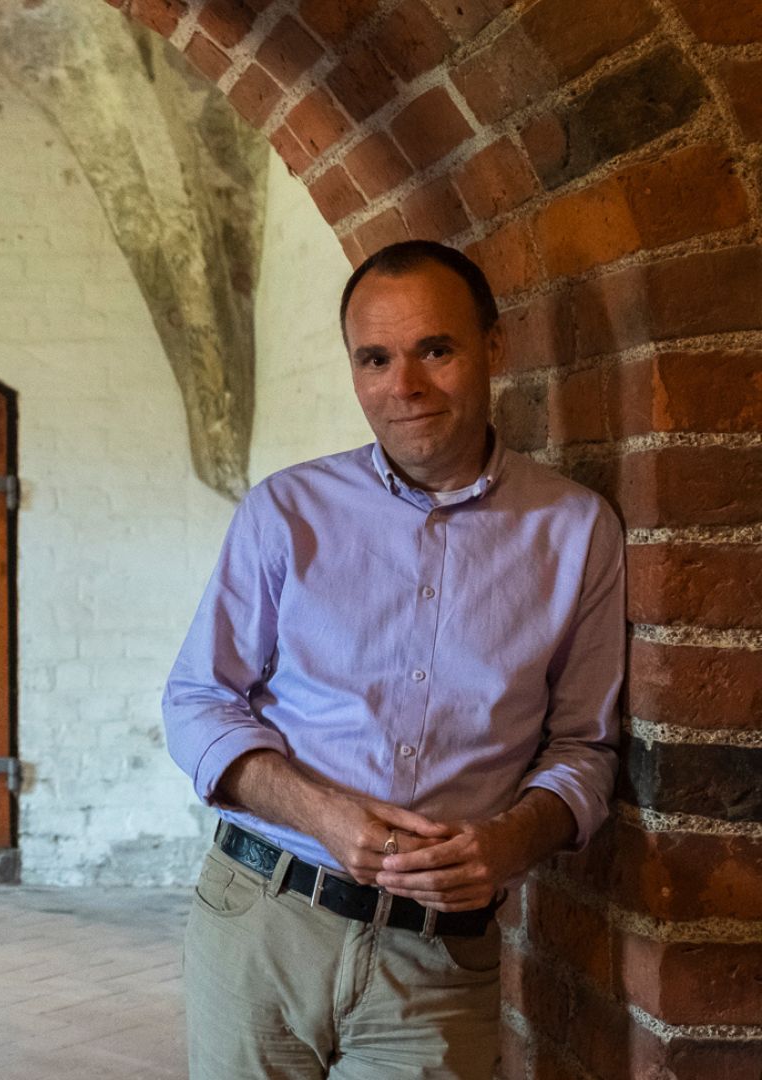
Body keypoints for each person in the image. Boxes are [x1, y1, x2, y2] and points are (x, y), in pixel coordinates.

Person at [161, 240, 623, 1080]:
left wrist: (510, 840)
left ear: (493, 346)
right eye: (374, 359)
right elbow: (198, 702)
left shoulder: (578, 530)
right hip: (261, 920)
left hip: (439, 961)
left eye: (434, 350)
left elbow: (585, 748)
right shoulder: (286, 511)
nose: (402, 385)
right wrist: (322, 814)